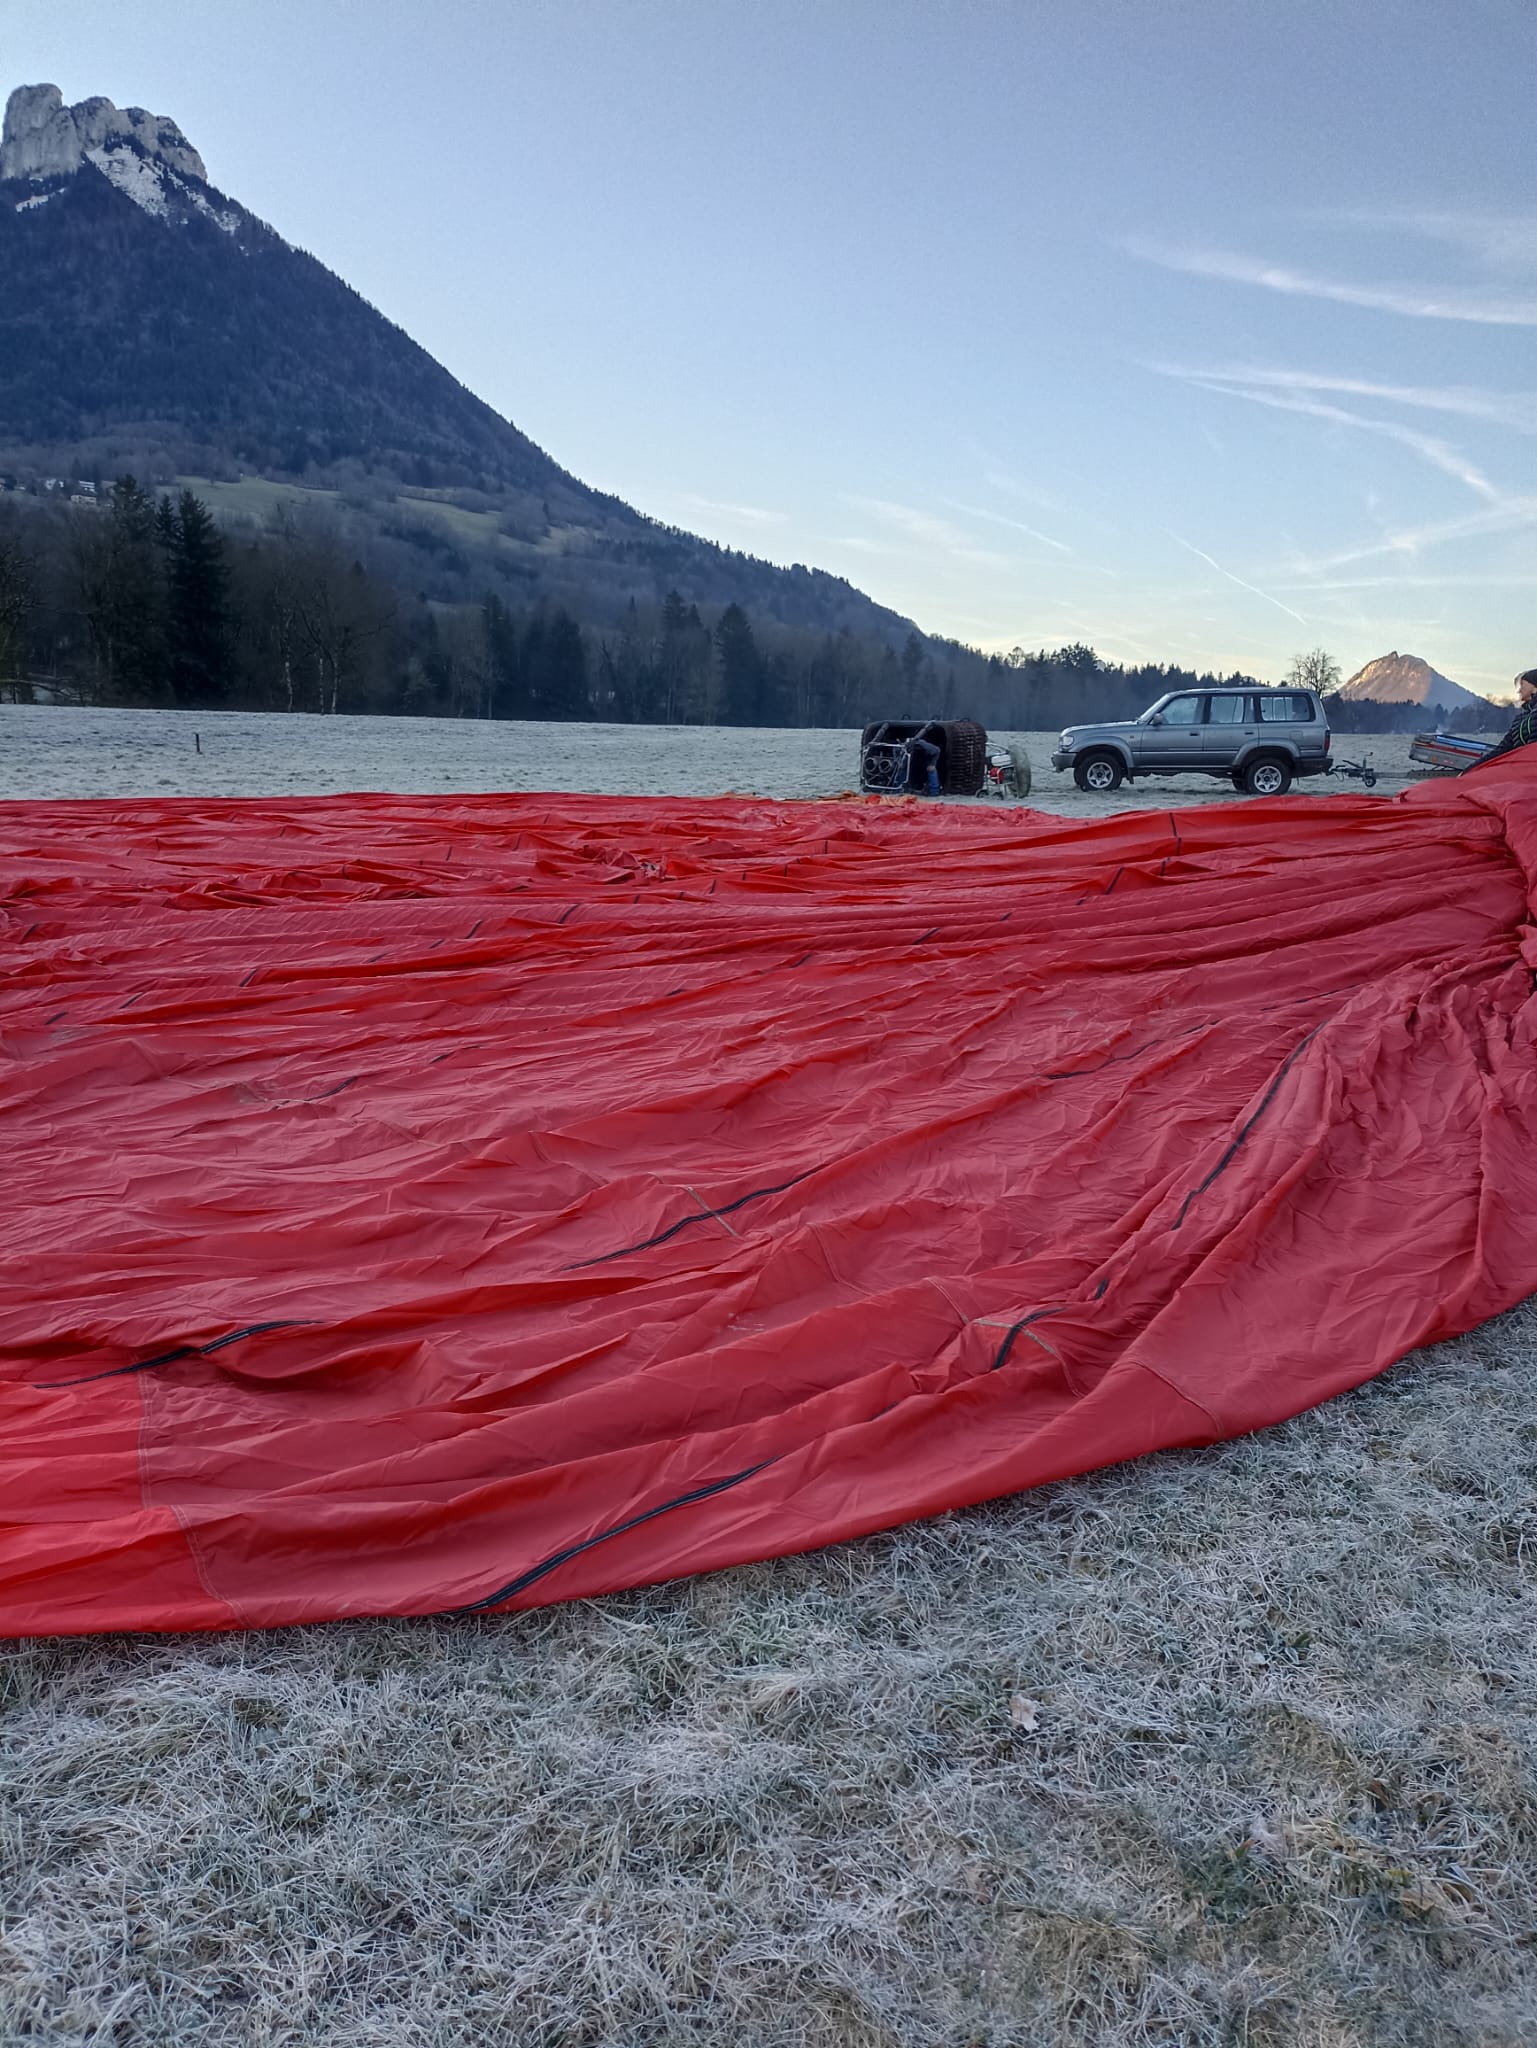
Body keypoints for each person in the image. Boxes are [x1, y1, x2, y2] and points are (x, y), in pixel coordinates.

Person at [1470, 668, 1537, 767]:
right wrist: (1472, 768)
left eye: (1522, 685)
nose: (1519, 690)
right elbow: (1502, 749)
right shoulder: (1521, 718)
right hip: (1522, 770)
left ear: (1534, 686)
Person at [906, 721, 942, 796]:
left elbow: (937, 751)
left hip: (929, 757)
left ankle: (934, 792)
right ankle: (902, 787)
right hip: (916, 758)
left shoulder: (925, 746)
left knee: (931, 770)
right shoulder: (907, 746)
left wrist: (932, 763)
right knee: (904, 768)